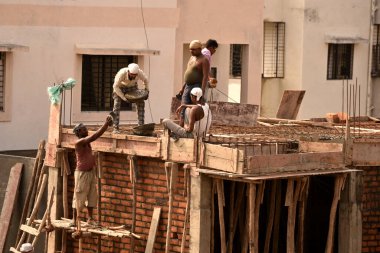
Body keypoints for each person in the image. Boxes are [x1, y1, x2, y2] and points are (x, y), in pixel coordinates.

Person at [70, 115, 113, 227]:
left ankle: (90, 219)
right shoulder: (79, 142)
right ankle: (74, 220)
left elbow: (93, 136)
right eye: (84, 129)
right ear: (79, 132)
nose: (87, 130)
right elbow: (95, 136)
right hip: (82, 174)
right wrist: (106, 124)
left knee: (91, 196)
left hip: (90, 172)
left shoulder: (86, 142)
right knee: (79, 197)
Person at [178, 40, 210, 127]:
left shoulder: (204, 60)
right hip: (187, 86)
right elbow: (188, 73)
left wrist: (202, 92)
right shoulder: (192, 58)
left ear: (199, 49)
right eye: (190, 49)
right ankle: (180, 129)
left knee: (194, 108)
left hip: (196, 87)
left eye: (193, 49)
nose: (191, 51)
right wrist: (183, 87)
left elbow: (205, 77)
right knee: (183, 108)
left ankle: (192, 128)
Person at [112, 63, 149, 133]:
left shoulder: (139, 73)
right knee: (116, 105)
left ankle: (140, 126)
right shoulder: (122, 73)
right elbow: (115, 86)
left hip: (132, 87)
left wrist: (147, 90)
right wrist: (123, 97)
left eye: (135, 75)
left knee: (141, 102)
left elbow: (146, 80)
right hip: (120, 88)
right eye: (132, 75)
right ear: (128, 72)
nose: (133, 76)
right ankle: (115, 127)